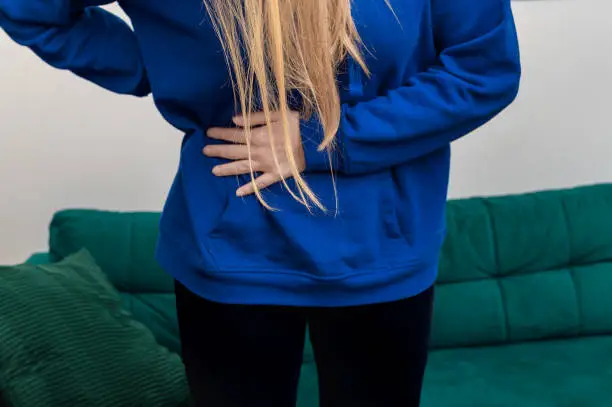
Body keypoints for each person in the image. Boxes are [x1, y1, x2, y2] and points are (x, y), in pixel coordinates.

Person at [1, 0, 520, 406]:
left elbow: (483, 71)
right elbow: (30, 8)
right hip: (231, 251)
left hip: (382, 251)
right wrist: (162, 65)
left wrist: (323, 139)